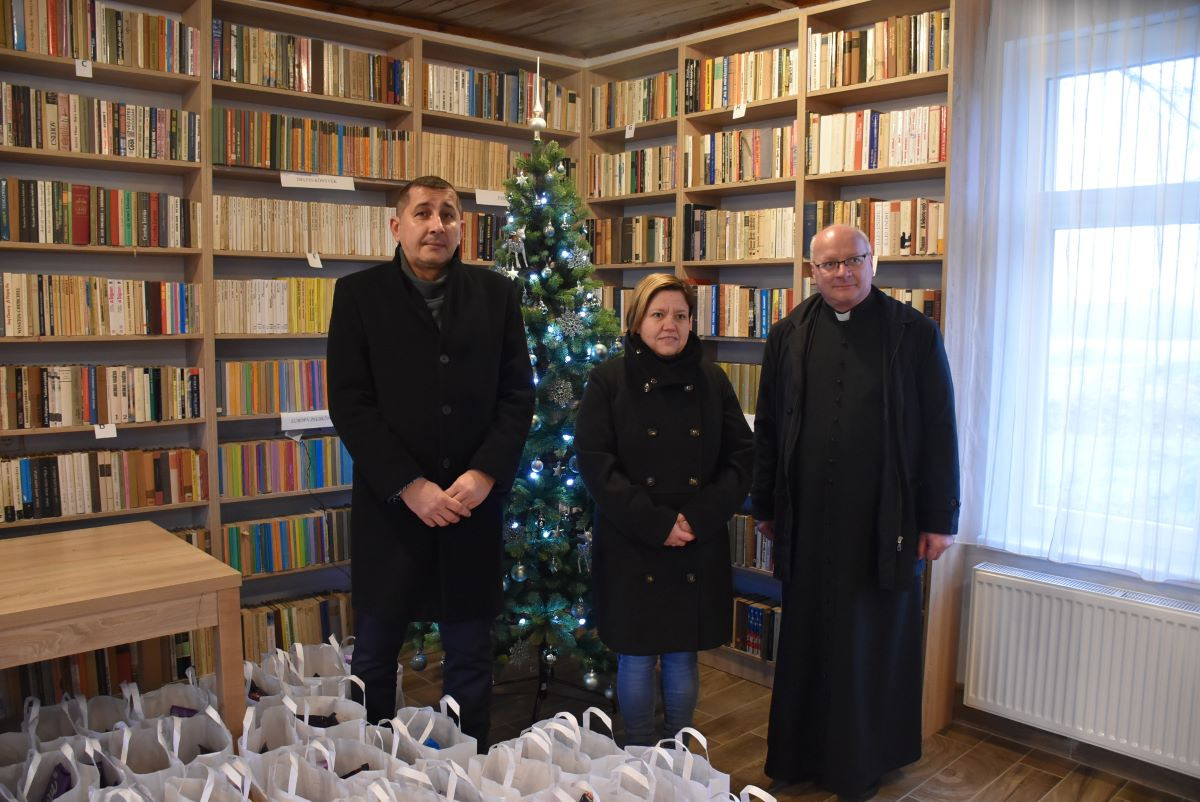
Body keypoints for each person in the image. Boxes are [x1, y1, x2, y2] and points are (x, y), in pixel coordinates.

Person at [752, 224, 960, 800]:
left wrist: (939, 519)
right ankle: (799, 754)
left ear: (874, 262)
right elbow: (768, 427)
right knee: (806, 638)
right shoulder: (787, 333)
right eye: (829, 264)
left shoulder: (914, 333)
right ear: (811, 271)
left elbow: (940, 427)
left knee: (871, 641)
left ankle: (864, 762)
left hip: (884, 521)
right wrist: (766, 504)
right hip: (807, 518)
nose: (842, 272)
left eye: (854, 260)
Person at [326, 175, 534, 743]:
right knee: (374, 658)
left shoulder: (496, 296)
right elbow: (350, 403)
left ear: (462, 227)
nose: (436, 224)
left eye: (447, 213)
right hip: (391, 511)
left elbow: (518, 395)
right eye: (422, 213)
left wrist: (485, 473)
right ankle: (365, 767)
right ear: (397, 226)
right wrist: (409, 485)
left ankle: (466, 766)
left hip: (470, 507)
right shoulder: (358, 295)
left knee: (469, 659)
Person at [575, 273, 754, 746]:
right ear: (637, 322)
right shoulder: (608, 380)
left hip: (696, 536)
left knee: (681, 654)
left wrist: (697, 519)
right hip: (631, 536)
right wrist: (657, 524)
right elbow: (596, 464)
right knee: (635, 655)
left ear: (692, 323)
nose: (669, 324)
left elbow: (741, 458)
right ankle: (637, 753)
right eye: (658, 314)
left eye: (680, 315)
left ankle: (677, 753)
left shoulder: (713, 380)